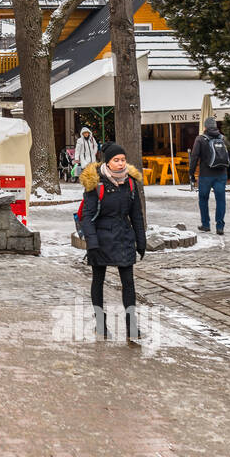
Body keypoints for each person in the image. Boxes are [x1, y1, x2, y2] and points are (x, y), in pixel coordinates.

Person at [79, 144, 147, 343]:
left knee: (128, 283)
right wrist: (91, 242)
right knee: (98, 281)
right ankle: (100, 322)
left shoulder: (131, 183)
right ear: (107, 162)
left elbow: (136, 215)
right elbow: (87, 216)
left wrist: (141, 241)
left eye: (123, 160)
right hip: (100, 239)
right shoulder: (95, 184)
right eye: (116, 160)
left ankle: (131, 324)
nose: (120, 163)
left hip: (124, 237)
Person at [188, 117, 230, 235]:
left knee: (203, 199)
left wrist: (191, 173)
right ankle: (220, 226)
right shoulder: (224, 138)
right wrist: (229, 172)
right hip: (221, 175)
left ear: (205, 127)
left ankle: (206, 224)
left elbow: (194, 157)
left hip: (205, 176)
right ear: (216, 126)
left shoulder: (200, 139)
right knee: (221, 200)